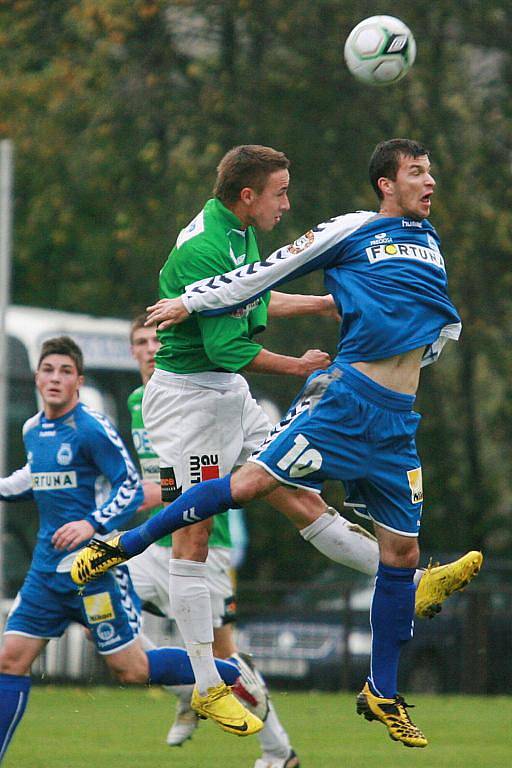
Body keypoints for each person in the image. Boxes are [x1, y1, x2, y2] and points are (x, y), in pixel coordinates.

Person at [72, 140, 483, 749]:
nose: (288, 204)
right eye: (281, 192)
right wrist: (294, 362)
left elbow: (258, 292)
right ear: (248, 195)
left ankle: (401, 621)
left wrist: (327, 303)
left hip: (264, 398)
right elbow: (229, 335)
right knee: (205, 526)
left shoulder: (248, 233)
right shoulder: (214, 246)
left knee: (300, 500)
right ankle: (194, 662)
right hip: (191, 398)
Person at [0, 337, 256, 764]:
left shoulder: (91, 428)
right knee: (9, 660)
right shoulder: (32, 430)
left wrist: (91, 524)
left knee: (132, 669)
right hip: (45, 574)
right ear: (37, 377)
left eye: (65, 371)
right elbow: (32, 476)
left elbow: (128, 486)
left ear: (78, 381)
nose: (55, 379)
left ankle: (227, 672)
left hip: (93, 569)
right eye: (48, 370)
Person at [127, 315, 294, 766]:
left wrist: (135, 500)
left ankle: (279, 750)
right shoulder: (138, 401)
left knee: (226, 653)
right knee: (94, 598)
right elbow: (152, 472)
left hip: (206, 543)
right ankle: (189, 685)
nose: (150, 348)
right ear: (133, 351)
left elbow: (198, 477)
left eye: (156, 338)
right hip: (157, 546)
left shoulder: (205, 391)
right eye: (141, 341)